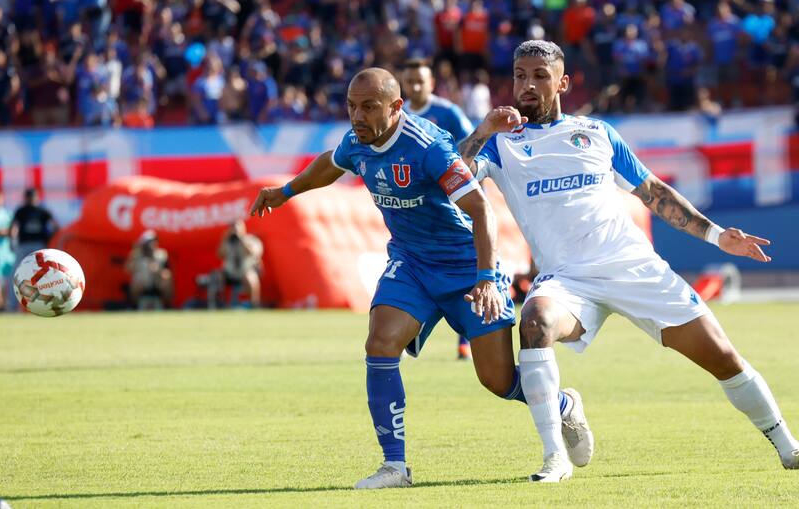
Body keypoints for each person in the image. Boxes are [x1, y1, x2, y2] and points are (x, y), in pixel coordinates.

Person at [458, 40, 799, 482]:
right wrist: (483, 131)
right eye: (520, 75)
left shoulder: (596, 134)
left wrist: (717, 236)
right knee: (535, 324)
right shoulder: (501, 144)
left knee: (724, 358)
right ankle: (554, 458)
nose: (527, 85)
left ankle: (789, 447)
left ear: (562, 82)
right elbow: (453, 176)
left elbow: (654, 193)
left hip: (632, 266)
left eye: (539, 76)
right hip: (567, 280)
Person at [250, 67, 594, 489]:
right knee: (380, 341)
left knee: (498, 380)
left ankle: (561, 404)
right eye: (352, 107)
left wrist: (486, 278)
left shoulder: (428, 146)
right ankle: (394, 466)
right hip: (411, 264)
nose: (357, 116)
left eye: (369, 107)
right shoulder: (358, 141)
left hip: (467, 268)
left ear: (395, 108)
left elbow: (482, 209)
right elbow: (330, 164)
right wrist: (285, 192)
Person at [400, 57, 477, 361]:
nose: (416, 86)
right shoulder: (398, 115)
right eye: (410, 81)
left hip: (454, 205)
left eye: (421, 80)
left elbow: (472, 146)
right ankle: (406, 332)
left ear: (431, 83)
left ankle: (465, 340)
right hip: (418, 210)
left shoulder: (447, 112)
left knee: (464, 269)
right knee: (412, 265)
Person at [9, 188, 59, 310]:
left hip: (39, 246)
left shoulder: (42, 211)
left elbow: (55, 226)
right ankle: (13, 306)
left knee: (44, 275)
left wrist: (50, 239)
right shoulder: (21, 211)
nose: (32, 199)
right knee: (16, 274)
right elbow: (15, 227)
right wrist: (12, 241)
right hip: (24, 245)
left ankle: (46, 303)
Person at [208, 220, 263, 308]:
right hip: (230, 273)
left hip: (245, 271)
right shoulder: (228, 242)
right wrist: (225, 239)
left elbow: (253, 253)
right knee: (216, 276)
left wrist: (241, 239)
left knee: (250, 277)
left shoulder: (251, 240)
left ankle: (254, 305)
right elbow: (219, 255)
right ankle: (217, 305)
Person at [125, 230, 173, 309]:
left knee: (167, 280)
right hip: (142, 282)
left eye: (154, 241)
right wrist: (135, 254)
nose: (151, 244)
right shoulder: (137, 255)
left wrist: (158, 270)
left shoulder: (161, 254)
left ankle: (168, 307)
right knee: (136, 285)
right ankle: (133, 307)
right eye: (149, 242)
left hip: (156, 281)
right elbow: (127, 269)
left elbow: (167, 271)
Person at [0, 190, 14, 310]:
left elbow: (13, 231)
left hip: (6, 253)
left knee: (7, 280)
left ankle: (4, 305)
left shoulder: (7, 213)